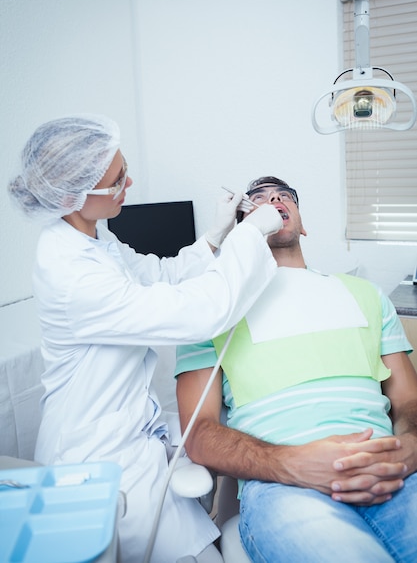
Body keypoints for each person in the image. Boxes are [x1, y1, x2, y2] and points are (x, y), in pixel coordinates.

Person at [7, 117, 284, 563]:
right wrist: (250, 236)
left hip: (129, 430)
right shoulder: (72, 274)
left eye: (125, 169)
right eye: (117, 180)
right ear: (69, 197)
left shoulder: (93, 238)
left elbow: (157, 277)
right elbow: (196, 314)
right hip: (95, 458)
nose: (129, 182)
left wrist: (214, 240)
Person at [176, 175, 417, 563]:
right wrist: (290, 464)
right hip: (285, 488)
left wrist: (410, 449)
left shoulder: (366, 296)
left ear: (301, 224)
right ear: (243, 231)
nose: (273, 199)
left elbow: (409, 401)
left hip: (393, 474)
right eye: (258, 200)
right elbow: (199, 436)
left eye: (283, 196)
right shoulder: (213, 309)